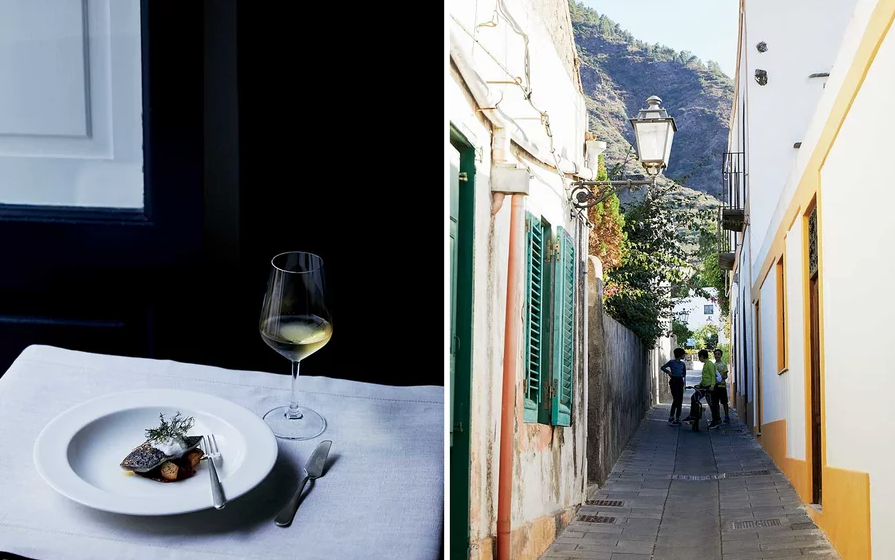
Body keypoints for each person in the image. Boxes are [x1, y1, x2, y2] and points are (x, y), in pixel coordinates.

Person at [683, 349, 721, 429]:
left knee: (712, 404)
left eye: (699, 357)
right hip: (704, 386)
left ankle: (716, 421)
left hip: (710, 387)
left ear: (702, 356)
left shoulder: (710, 364)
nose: (699, 359)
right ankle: (692, 415)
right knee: (694, 397)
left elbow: (713, 376)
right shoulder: (705, 364)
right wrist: (699, 385)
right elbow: (705, 378)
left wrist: (712, 386)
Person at [661, 348, 687, 425]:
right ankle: (672, 416)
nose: (684, 355)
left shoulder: (683, 364)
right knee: (676, 399)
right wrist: (668, 372)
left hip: (680, 381)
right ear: (680, 355)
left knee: (680, 400)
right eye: (683, 354)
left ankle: (678, 417)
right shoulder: (672, 362)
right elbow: (663, 367)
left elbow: (684, 374)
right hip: (674, 381)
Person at [713, 348, 731, 423]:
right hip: (715, 386)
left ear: (721, 355)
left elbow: (725, 375)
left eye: (718, 354)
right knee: (715, 403)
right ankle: (718, 417)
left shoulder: (723, 365)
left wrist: (721, 377)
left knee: (724, 402)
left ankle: (727, 416)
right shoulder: (713, 365)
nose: (717, 355)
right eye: (715, 354)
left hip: (722, 386)